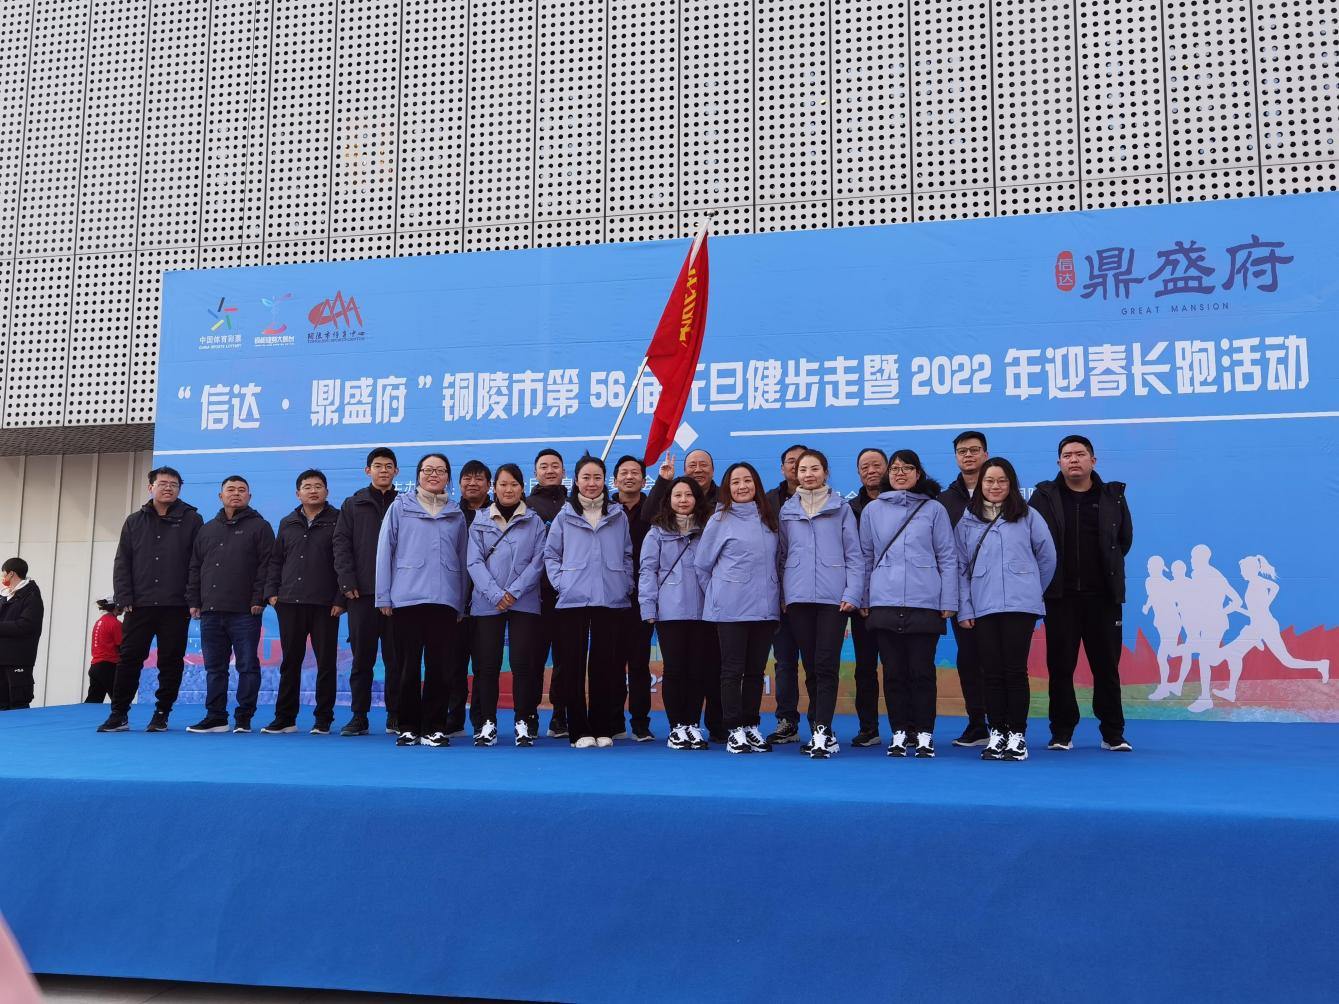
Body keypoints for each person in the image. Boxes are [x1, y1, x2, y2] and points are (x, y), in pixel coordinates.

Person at [1030, 434, 1134, 752]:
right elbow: (1032, 541)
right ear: (1059, 462)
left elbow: (1124, 540)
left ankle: (1113, 733)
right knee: (1060, 667)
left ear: (1093, 460)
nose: (1073, 459)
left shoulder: (1112, 496)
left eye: (1080, 454)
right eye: (1067, 455)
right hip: (1060, 598)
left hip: (1103, 598)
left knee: (1106, 668)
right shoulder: (1044, 497)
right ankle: (1062, 732)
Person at [956, 458, 1057, 761]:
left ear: (1011, 484)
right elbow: (959, 568)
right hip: (983, 605)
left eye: (1002, 481)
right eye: (989, 481)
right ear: (980, 484)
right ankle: (997, 732)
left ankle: (1017, 735)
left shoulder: (1027, 516)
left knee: (1014, 670)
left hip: (1019, 606)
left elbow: (1047, 557)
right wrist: (965, 608)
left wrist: (1030, 589)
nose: (995, 486)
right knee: (991, 672)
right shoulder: (967, 520)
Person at [859, 450, 957, 758]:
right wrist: (864, 597)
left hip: (924, 602)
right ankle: (900, 732)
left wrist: (948, 599)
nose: (900, 473)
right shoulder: (873, 510)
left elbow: (947, 556)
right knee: (893, 673)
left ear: (918, 473)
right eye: (895, 468)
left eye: (908, 468)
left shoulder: (934, 509)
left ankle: (924, 733)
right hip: (884, 600)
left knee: (922, 672)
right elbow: (865, 558)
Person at [98, 466, 204, 732]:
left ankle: (162, 713)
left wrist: (193, 598)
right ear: (150, 487)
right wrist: (123, 596)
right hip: (139, 604)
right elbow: (122, 561)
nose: (168, 488)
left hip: (175, 605)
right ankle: (119, 714)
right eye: (163, 483)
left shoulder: (192, 520)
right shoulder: (134, 521)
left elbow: (198, 562)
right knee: (129, 659)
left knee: (171, 661)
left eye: (174, 485)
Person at [376, 453, 469, 747]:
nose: (433, 475)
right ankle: (407, 726)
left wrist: (461, 601)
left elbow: (463, 558)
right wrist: (383, 595)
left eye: (440, 470)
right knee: (407, 666)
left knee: (440, 667)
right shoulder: (400, 507)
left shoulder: (455, 513)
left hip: (445, 599)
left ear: (448, 477)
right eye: (428, 469)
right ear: (417, 475)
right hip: (407, 598)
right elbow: (385, 551)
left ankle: (434, 727)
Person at [543, 454, 634, 748]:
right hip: (573, 599)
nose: (592, 483)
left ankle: (602, 726)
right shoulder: (565, 515)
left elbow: (627, 554)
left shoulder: (617, 515)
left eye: (597, 477)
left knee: (604, 666)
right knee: (572, 665)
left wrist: (625, 583)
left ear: (605, 481)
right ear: (576, 481)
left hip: (610, 598)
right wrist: (562, 583)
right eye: (586, 477)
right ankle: (579, 730)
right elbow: (551, 554)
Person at [777, 448, 862, 758]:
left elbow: (854, 554)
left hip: (833, 600)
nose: (808, 474)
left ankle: (824, 730)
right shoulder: (787, 511)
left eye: (815, 469)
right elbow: (781, 556)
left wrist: (852, 594)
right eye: (803, 470)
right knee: (810, 666)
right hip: (798, 598)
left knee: (826, 665)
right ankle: (817, 727)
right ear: (795, 474)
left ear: (826, 473)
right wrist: (783, 596)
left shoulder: (842, 509)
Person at [696, 461, 781, 755]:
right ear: (727, 488)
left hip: (765, 608)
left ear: (756, 484)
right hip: (730, 610)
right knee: (732, 671)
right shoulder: (719, 520)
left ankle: (750, 725)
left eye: (747, 480)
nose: (742, 486)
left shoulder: (768, 518)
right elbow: (702, 565)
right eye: (735, 482)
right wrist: (720, 594)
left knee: (755, 671)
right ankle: (733, 728)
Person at [185, 476, 275, 734]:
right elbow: (195, 567)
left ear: (249, 496)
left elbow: (267, 566)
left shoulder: (260, 527)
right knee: (214, 668)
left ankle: (244, 717)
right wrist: (194, 600)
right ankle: (216, 717)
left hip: (245, 611)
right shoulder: (207, 529)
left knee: (247, 666)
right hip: (211, 611)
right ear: (220, 496)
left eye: (242, 490)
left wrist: (258, 599)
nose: (236, 493)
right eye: (230, 490)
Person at [466, 463, 547, 746]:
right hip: (487, 602)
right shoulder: (480, 520)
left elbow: (539, 562)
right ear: (494, 487)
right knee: (487, 665)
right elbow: (474, 562)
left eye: (514, 484)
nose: (508, 489)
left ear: (522, 488)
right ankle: (487, 723)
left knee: (523, 664)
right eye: (503, 484)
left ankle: (523, 721)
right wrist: (495, 594)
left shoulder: (535, 522)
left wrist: (513, 592)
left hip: (524, 602)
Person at [261, 469, 344, 735]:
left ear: (327, 491)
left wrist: (341, 597)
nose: (313, 490)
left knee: (326, 664)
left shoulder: (339, 520)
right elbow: (276, 560)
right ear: (298, 493)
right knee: (290, 663)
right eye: (307, 487)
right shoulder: (287, 522)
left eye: (318, 486)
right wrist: (272, 593)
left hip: (325, 605)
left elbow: (345, 561)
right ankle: (285, 718)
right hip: (289, 602)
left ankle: (323, 719)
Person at [640, 476, 716, 750]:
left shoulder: (709, 529)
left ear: (697, 498)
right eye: (677, 495)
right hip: (669, 611)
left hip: (702, 610)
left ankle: (693, 725)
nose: (683, 500)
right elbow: (648, 571)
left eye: (688, 495)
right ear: (669, 500)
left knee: (697, 671)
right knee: (674, 670)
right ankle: (677, 727)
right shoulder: (657, 531)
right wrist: (648, 607)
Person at [333, 447, 400, 736]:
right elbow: (341, 544)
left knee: (397, 660)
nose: (383, 470)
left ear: (396, 471)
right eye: (378, 466)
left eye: (388, 466)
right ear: (367, 470)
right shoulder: (353, 504)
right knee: (362, 660)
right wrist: (347, 582)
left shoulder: (405, 503)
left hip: (398, 596)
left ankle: (396, 716)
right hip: (362, 595)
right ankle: (359, 716)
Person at [937, 431, 991, 747]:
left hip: (998, 592)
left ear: (985, 453)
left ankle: (1006, 726)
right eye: (962, 451)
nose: (968, 455)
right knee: (969, 659)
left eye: (974, 449)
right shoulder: (944, 500)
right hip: (961, 593)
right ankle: (977, 724)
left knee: (999, 661)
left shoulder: (1002, 491)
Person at [764, 443, 809, 746]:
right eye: (791, 462)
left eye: (802, 461)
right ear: (782, 468)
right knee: (784, 662)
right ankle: (786, 721)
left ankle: (821, 724)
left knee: (818, 664)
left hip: (813, 595)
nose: (796, 466)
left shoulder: (828, 501)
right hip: (777, 596)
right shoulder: (767, 501)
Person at [526, 448, 570, 738]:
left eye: (555, 465)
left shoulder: (575, 504)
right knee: (533, 659)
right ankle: (529, 716)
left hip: (568, 594)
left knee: (566, 659)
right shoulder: (526, 505)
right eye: (544, 466)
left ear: (564, 472)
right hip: (536, 594)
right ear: (536, 473)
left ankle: (560, 715)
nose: (550, 470)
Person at [611, 454, 655, 741]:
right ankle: (614, 722)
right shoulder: (604, 508)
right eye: (624, 473)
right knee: (612, 663)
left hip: (642, 596)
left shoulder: (655, 509)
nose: (629, 477)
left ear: (643, 479)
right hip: (609, 596)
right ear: (615, 480)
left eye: (635, 472)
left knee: (639, 663)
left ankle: (640, 723)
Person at [848, 447, 888, 747]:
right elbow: (851, 557)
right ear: (858, 473)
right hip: (862, 604)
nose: (871, 470)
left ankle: (908, 728)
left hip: (895, 600)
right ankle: (868, 728)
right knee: (864, 668)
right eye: (865, 466)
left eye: (877, 465)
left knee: (901, 668)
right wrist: (860, 596)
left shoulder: (909, 504)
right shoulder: (848, 509)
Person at [450, 459, 493, 736]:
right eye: (467, 478)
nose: (472, 483)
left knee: (484, 666)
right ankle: (453, 721)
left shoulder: (497, 515)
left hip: (487, 602)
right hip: (454, 602)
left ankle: (481, 722)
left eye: (479, 478)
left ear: (489, 485)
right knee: (453, 665)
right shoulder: (450, 514)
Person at [0, 558, 43, 710]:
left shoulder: (31, 596)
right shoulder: (5, 596)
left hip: (18, 659)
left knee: (18, 704)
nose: (2, 577)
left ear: (11, 574)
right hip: (2, 659)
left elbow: (26, 625)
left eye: (3, 573)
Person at [645, 448, 719, 518]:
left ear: (713, 471)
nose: (698, 470)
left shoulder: (723, 497)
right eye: (692, 465)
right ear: (685, 471)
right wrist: (663, 481)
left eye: (703, 465)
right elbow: (648, 515)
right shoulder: (673, 497)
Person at [85, 598, 123, 703]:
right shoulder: (115, 624)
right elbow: (122, 647)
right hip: (109, 666)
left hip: (95, 666)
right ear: (116, 606)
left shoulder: (99, 622)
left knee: (93, 701)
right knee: (120, 701)